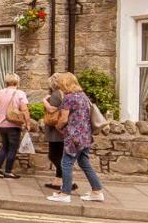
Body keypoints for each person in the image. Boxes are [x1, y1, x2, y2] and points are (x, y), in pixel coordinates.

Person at [46, 71, 105, 203]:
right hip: (85, 136)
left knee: (66, 163)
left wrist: (58, 126)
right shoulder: (83, 96)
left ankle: (65, 193)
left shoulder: (69, 98)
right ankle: (97, 191)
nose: (60, 84)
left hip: (74, 136)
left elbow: (63, 119)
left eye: (61, 82)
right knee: (85, 163)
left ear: (65, 83)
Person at [42, 74, 76, 193]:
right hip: (63, 129)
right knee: (60, 155)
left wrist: (44, 101)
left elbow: (52, 109)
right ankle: (57, 180)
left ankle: (68, 181)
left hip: (55, 128)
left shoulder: (56, 94)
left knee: (53, 155)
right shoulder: (65, 93)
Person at [0, 73, 29, 179]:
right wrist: (28, 123)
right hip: (13, 124)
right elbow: (24, 109)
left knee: (4, 146)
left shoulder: (0, 92)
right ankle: (8, 171)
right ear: (17, 81)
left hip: (1, 124)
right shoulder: (20, 93)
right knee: (12, 148)